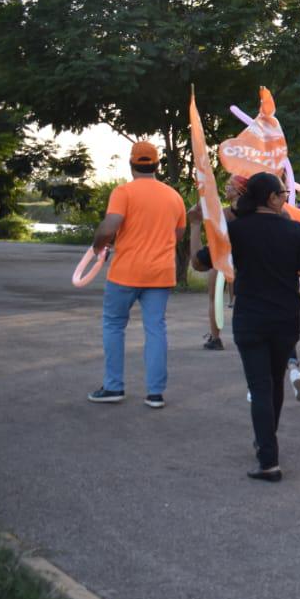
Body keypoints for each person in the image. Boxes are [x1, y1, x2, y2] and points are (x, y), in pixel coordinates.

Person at [189, 173, 300, 481]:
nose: (286, 197)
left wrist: (195, 226)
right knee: (274, 383)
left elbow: (198, 264)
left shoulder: (235, 230)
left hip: (251, 319)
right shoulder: (295, 230)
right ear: (270, 197)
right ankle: (267, 441)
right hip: (286, 320)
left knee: (260, 387)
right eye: (282, 193)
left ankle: (268, 458)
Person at [86, 142, 186, 409]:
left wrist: (98, 246)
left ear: (131, 165)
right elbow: (178, 234)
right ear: (157, 165)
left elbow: (111, 224)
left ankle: (113, 387)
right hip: (160, 274)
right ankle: (155, 394)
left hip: (125, 272)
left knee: (113, 325)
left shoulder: (124, 192)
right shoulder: (173, 196)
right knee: (155, 329)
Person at [202, 174, 247, 352]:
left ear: (239, 190)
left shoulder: (225, 214)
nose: (226, 188)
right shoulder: (252, 212)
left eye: (230, 185)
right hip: (244, 259)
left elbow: (215, 239)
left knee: (214, 297)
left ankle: (215, 337)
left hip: (222, 258)